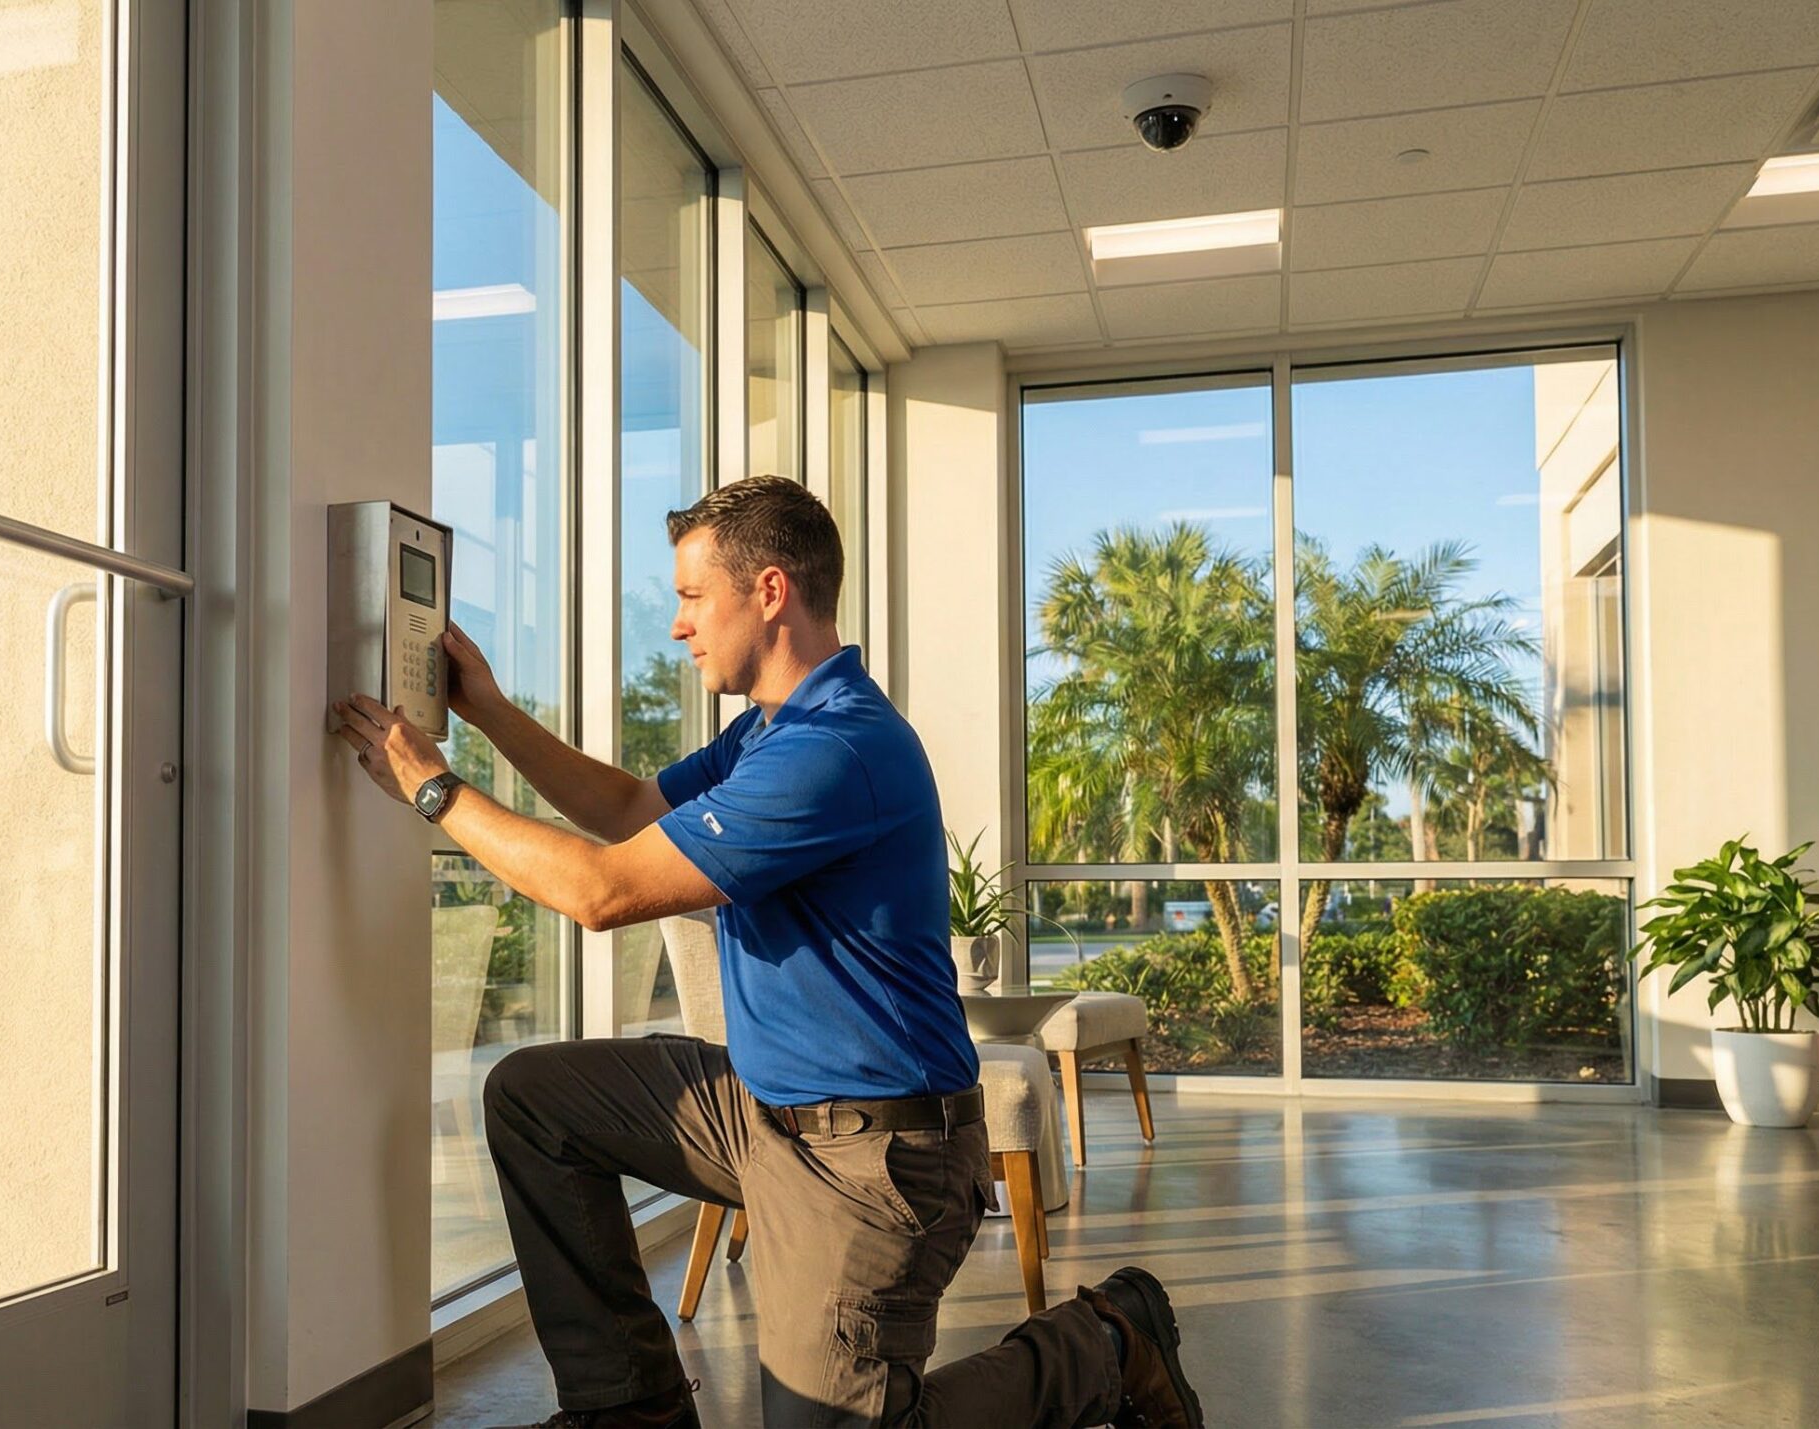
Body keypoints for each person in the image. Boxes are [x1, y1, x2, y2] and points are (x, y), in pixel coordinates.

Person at [331, 476, 1204, 1428]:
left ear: (772, 591)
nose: (678, 626)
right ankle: (631, 1404)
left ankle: (1108, 1340)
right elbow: (627, 812)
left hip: (880, 1154)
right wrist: (489, 708)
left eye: (693, 597)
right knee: (534, 1100)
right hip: (765, 1112)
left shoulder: (836, 750)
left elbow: (602, 891)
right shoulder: (767, 734)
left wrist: (434, 791)